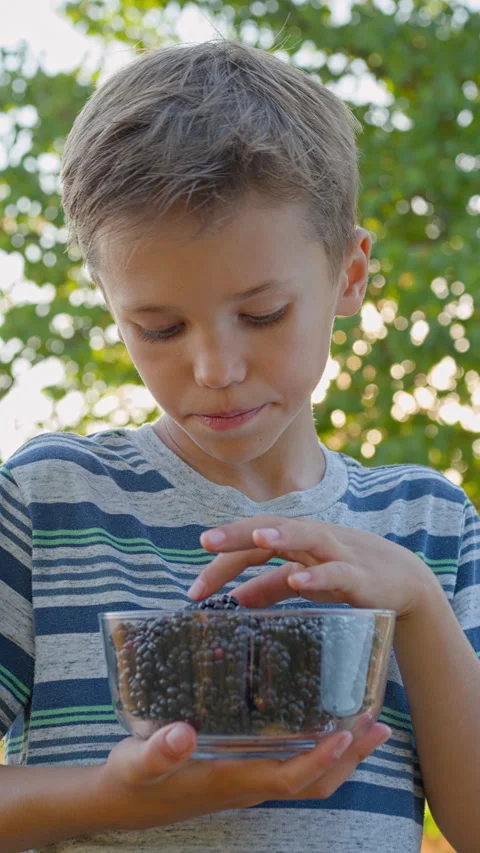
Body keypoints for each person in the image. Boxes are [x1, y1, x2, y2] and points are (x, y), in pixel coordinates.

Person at [0, 38, 478, 853]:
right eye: (158, 327)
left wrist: (420, 604)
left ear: (351, 275)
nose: (215, 369)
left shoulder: (429, 520)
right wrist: (113, 795)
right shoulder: (48, 500)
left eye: (262, 315)